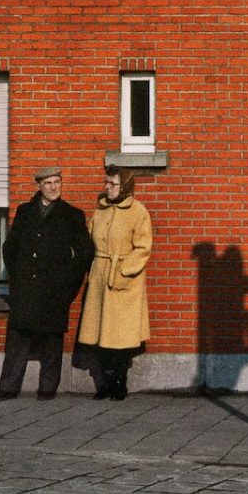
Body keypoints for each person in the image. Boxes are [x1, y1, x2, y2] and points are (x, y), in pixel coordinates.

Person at [0, 167, 91, 402]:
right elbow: (10, 247)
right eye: (48, 183)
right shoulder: (25, 212)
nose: (54, 187)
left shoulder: (72, 215)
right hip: (26, 289)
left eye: (57, 182)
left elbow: (84, 254)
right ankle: (8, 387)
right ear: (39, 186)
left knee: (52, 340)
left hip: (55, 290)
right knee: (17, 339)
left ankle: (48, 388)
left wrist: (69, 285)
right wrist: (17, 275)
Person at [75, 165, 153, 400]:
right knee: (102, 335)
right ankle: (106, 383)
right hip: (100, 278)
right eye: (106, 183)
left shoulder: (138, 211)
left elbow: (143, 247)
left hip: (124, 283)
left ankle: (120, 383)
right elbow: (90, 240)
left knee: (120, 337)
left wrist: (124, 270)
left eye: (112, 184)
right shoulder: (100, 210)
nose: (107, 187)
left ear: (125, 186)